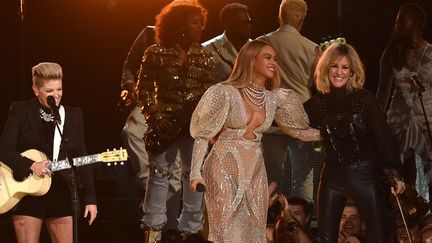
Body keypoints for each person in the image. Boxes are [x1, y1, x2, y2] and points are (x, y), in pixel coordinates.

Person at [189, 39, 321, 243]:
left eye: (275, 59)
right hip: (223, 164)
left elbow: (300, 132)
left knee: (253, 229)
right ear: (251, 60)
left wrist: (331, 134)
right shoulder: (225, 92)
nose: (273, 63)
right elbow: (203, 134)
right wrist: (195, 173)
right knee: (225, 229)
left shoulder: (274, 98)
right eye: (267, 58)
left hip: (255, 169)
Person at [303, 43, 405, 242]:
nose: (339, 72)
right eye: (334, 66)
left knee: (378, 236)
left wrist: (393, 172)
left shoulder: (364, 99)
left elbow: (382, 137)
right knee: (326, 238)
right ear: (326, 69)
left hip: (364, 175)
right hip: (331, 176)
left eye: (345, 67)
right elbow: (289, 120)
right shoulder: (317, 104)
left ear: (352, 72)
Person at [135, 1, 216, 242]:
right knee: (159, 175)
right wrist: (156, 117)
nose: (200, 27)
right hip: (165, 125)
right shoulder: (155, 52)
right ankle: (154, 229)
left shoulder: (204, 54)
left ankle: (191, 230)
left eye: (201, 22)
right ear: (178, 24)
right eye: (194, 22)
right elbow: (144, 89)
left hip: (194, 126)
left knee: (194, 176)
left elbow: (208, 92)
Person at [0, 62, 97, 242]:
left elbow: (81, 156)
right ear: (36, 90)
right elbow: (4, 150)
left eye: (59, 89)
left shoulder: (73, 115)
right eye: (49, 91)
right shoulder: (21, 110)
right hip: (27, 191)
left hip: (60, 189)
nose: (56, 95)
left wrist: (90, 198)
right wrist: (31, 165)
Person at [118, 25, 182, 235]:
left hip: (176, 106)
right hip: (147, 101)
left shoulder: (190, 41)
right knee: (131, 130)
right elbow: (130, 64)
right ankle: (151, 195)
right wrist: (129, 87)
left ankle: (168, 223)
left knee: (175, 164)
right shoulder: (148, 33)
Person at [257, 0, 319, 202]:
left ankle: (269, 223)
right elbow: (316, 84)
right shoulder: (312, 48)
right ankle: (301, 221)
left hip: (271, 117)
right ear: (302, 19)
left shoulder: (262, 43)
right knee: (303, 177)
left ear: (280, 16)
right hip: (301, 116)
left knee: (271, 176)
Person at [377, 3, 432, 199]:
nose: (398, 25)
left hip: (427, 125)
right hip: (399, 127)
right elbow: (382, 93)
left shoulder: (430, 53)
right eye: (397, 21)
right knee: (401, 180)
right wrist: (376, 125)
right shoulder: (392, 54)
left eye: (403, 21)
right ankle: (406, 224)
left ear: (417, 25)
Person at [202, 2, 252, 81]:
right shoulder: (207, 49)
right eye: (242, 23)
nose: (248, 26)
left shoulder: (257, 49)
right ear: (227, 24)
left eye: (249, 22)